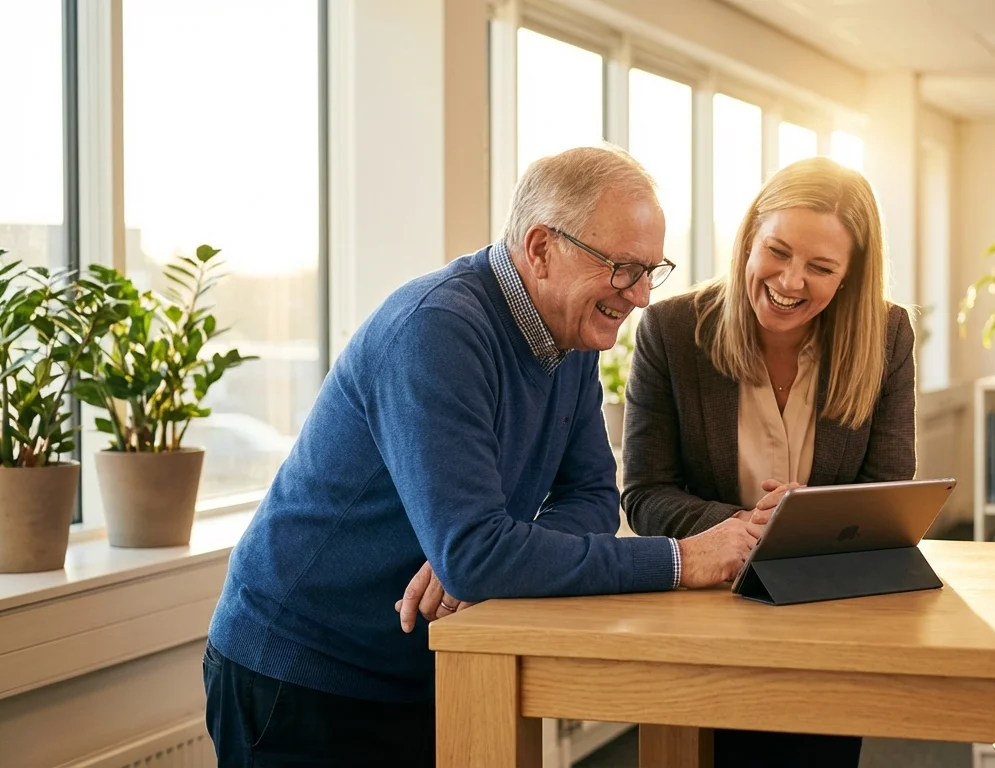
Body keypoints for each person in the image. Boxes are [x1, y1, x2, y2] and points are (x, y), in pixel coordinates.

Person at [202, 145, 762, 767]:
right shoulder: (437, 328)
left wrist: (487, 555)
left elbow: (592, 500)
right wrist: (680, 559)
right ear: (542, 248)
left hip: (426, 663)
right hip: (303, 673)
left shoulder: (572, 334)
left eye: (650, 270)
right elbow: (476, 554)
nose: (641, 299)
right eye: (623, 268)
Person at [622, 156, 917, 767]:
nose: (791, 280)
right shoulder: (671, 331)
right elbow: (646, 493)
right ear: (749, 238)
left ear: (849, 278)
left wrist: (809, 519)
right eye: (778, 251)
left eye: (821, 267)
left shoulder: (886, 334)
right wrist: (746, 528)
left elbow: (889, 490)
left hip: (830, 617)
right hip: (708, 615)